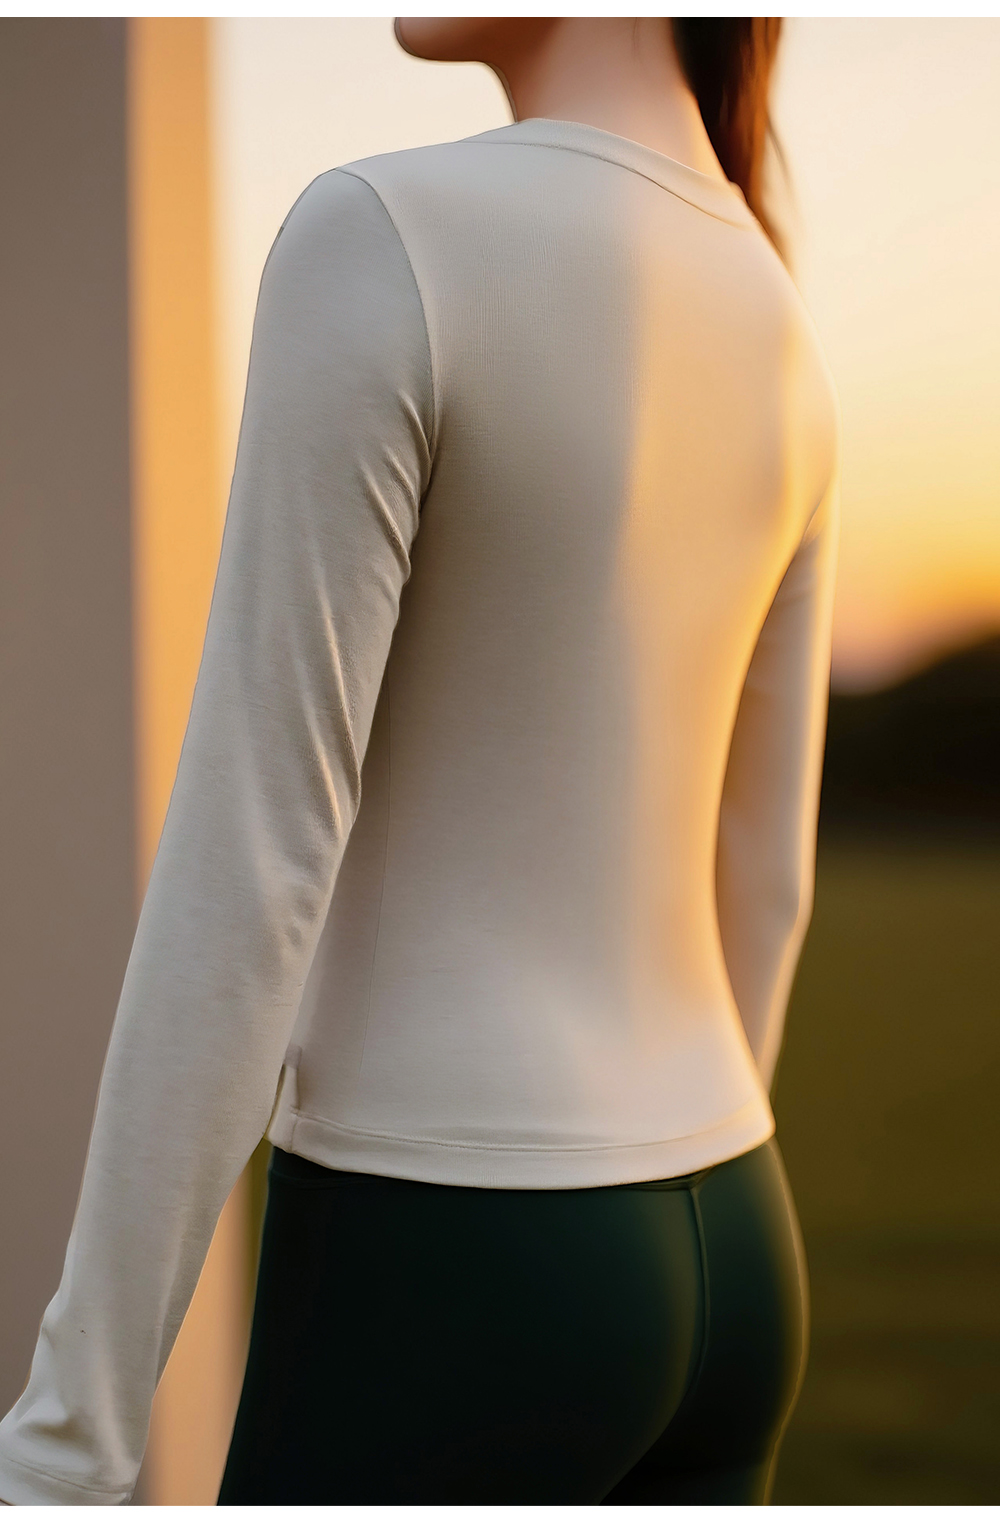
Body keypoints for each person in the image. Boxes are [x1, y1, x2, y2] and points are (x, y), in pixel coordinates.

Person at [0, 15, 840, 1506]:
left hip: (455, 1257)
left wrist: (68, 1444)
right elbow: (766, 879)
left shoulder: (383, 237)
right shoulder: (774, 312)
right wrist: (654, 1188)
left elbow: (254, 867)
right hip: (734, 1243)